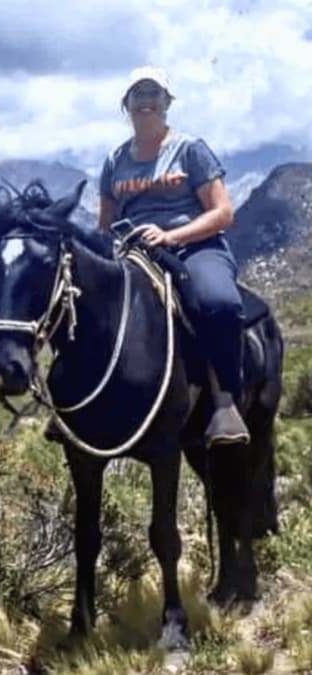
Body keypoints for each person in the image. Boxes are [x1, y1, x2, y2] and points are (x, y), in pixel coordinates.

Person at [98, 66, 248, 446]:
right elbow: (105, 224)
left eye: (154, 94)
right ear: (126, 105)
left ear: (167, 103)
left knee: (219, 302)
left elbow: (222, 213)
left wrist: (170, 235)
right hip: (133, 251)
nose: (146, 101)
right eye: (138, 95)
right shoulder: (115, 161)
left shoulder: (190, 150)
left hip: (192, 246)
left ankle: (225, 399)